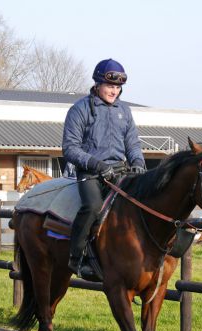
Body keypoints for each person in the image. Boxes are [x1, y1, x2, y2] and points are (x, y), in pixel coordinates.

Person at [62, 58, 145, 278]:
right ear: (98, 84)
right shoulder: (80, 109)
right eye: (110, 86)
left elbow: (133, 144)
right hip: (89, 172)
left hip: (119, 172)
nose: (114, 91)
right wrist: (96, 165)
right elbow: (70, 148)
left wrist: (138, 163)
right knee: (93, 207)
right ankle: (77, 258)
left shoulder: (124, 111)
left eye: (118, 88)